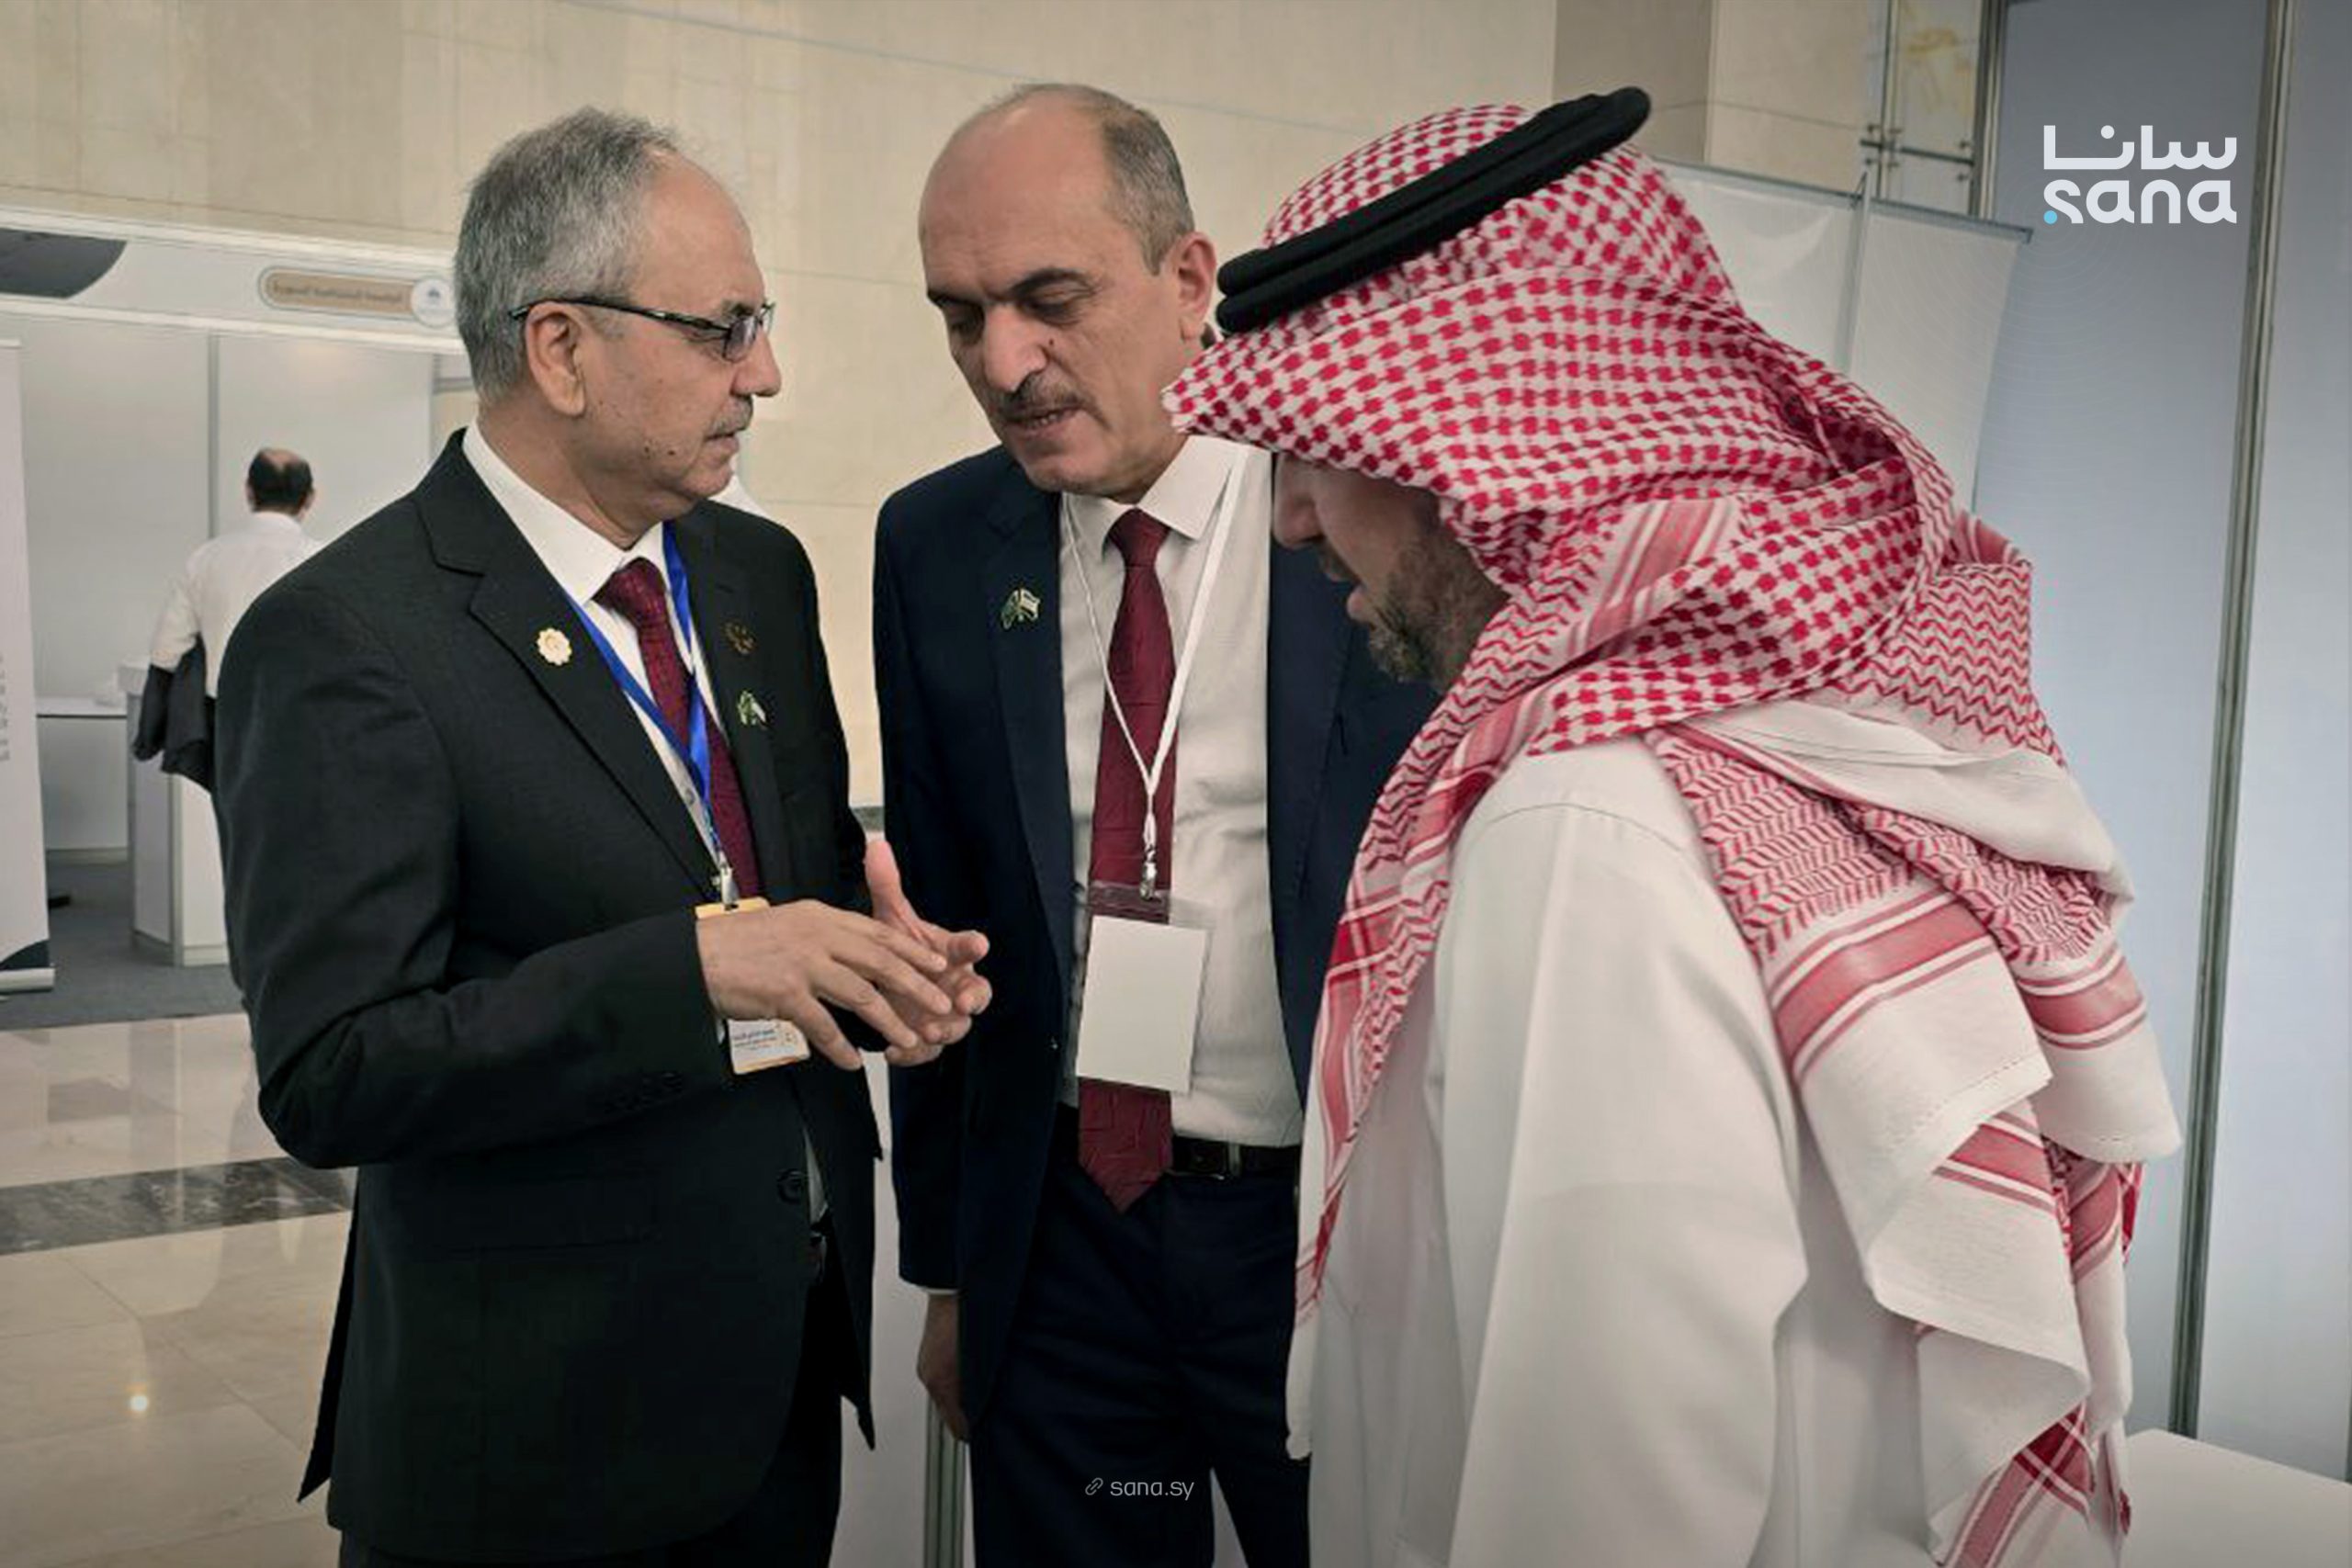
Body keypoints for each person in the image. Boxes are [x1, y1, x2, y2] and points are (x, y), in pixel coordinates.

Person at [1163, 94, 2182, 1568]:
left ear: (1476, 435)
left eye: (1316, 445)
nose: (1295, 521)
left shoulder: (1583, 828)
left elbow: (1607, 1486)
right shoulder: (1812, 737)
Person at [213, 108, 986, 1568]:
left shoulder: (756, 571)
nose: (766, 372)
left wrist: (876, 959)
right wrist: (695, 972)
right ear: (561, 349)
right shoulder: (348, 635)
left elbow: (780, 882)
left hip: (775, 1383)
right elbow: (333, 1069)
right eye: (724, 328)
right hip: (537, 1435)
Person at [875, 84, 1429, 1567]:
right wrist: (953, 1270)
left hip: (1316, 1239)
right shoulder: (936, 545)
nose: (1004, 364)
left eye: (1050, 301)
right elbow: (938, 925)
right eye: (960, 317)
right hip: (1064, 1245)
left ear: (1190, 280)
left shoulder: (1368, 515)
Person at [135, 448, 322, 785]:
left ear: (249, 491)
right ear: (309, 498)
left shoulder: (207, 558)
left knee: (231, 813)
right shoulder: (320, 562)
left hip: (224, 720)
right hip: (299, 720)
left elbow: (167, 650)